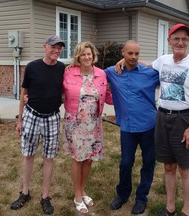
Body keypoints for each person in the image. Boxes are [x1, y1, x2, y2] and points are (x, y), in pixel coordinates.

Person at [153, 24, 189, 216]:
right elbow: (143, 65)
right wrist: (124, 61)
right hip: (162, 117)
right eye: (176, 38)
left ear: (188, 42)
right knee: (168, 166)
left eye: (185, 39)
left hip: (184, 119)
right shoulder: (162, 60)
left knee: (185, 168)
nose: (180, 42)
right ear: (169, 41)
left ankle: (186, 210)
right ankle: (170, 208)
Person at [10, 35, 66, 215]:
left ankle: (45, 196)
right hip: (31, 116)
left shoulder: (62, 68)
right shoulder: (32, 67)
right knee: (28, 155)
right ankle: (25, 192)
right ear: (45, 47)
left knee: (49, 158)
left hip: (52, 118)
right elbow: (23, 93)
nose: (56, 51)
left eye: (59, 48)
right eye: (53, 47)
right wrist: (19, 120)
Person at [104, 40, 159, 215]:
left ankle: (141, 198)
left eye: (137, 54)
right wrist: (70, 68)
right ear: (123, 52)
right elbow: (92, 73)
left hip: (149, 125)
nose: (134, 57)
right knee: (126, 163)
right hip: (127, 127)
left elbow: (173, 72)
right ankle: (122, 194)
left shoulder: (150, 73)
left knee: (148, 163)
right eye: (130, 53)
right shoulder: (113, 72)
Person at [62, 41, 113, 214]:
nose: (86, 57)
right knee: (78, 158)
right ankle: (77, 196)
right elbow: (55, 89)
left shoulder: (101, 74)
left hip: (94, 123)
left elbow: (107, 95)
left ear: (93, 56)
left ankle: (83, 190)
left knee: (89, 158)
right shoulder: (68, 72)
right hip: (75, 123)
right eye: (83, 54)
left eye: (89, 54)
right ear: (78, 56)